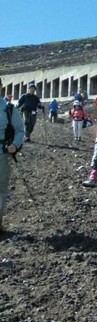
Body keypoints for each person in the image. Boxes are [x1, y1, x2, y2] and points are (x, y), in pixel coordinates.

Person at [0, 77, 25, 233]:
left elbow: (20, 130)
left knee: (1, 189)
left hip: (2, 154)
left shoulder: (8, 108)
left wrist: (15, 145)